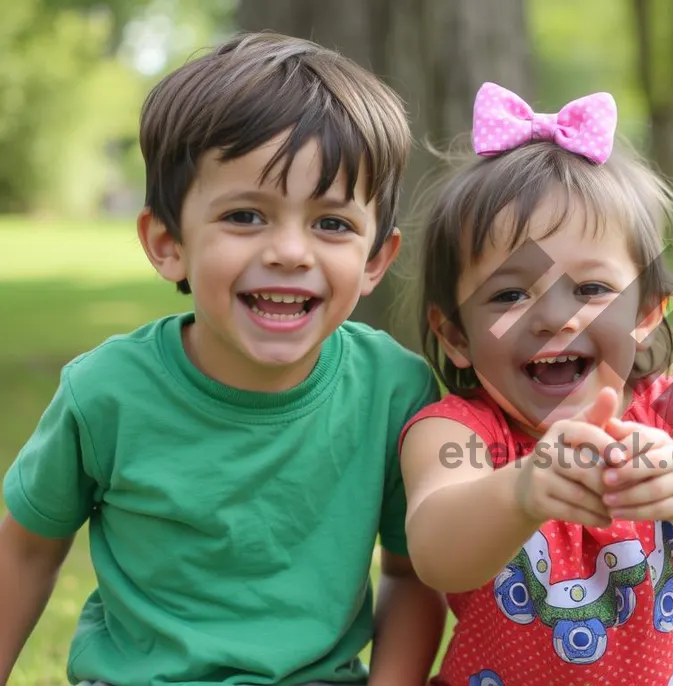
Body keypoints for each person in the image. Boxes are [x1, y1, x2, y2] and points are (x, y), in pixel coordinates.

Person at [0, 32, 446, 685]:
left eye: (331, 224)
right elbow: (27, 549)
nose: (291, 252)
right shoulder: (107, 392)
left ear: (377, 258)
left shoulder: (394, 390)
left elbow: (412, 574)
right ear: (167, 242)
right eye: (245, 215)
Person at [396, 82, 673, 685]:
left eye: (591, 290)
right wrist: (519, 492)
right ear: (455, 335)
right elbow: (435, 555)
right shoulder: (456, 433)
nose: (557, 317)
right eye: (510, 294)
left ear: (647, 315)